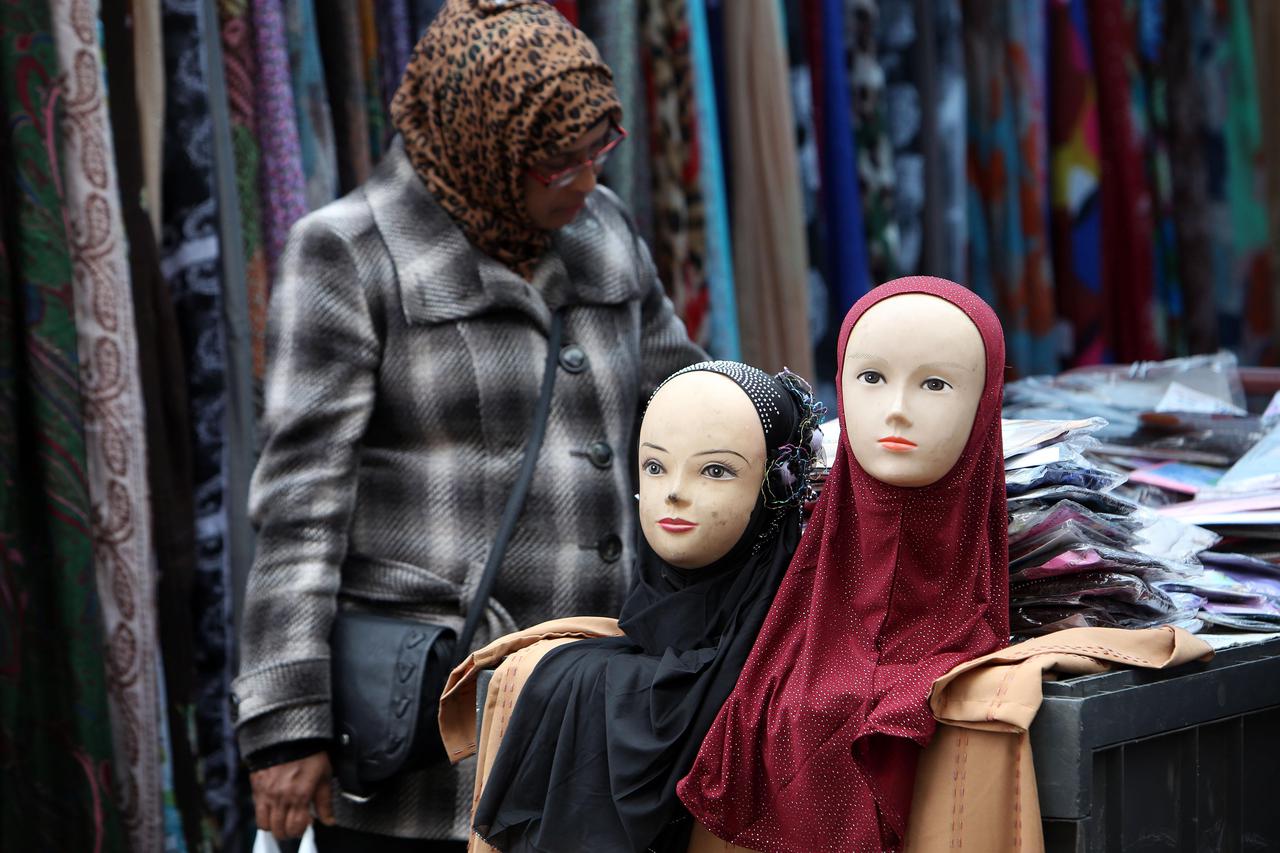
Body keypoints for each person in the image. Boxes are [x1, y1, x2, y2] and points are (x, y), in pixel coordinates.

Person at [230, 1, 706, 849]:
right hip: (435, 735)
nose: (586, 181)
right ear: (485, 148)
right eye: (557, 162)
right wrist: (286, 722)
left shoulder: (605, 236)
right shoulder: (349, 254)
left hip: (597, 714)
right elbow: (301, 505)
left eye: (596, 153)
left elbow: (690, 403)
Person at [677, 277, 1010, 853]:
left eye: (935, 383)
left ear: (984, 403)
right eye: (872, 378)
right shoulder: (793, 591)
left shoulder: (974, 612)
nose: (897, 411)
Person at [438, 362, 822, 852]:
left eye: (715, 470)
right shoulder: (569, 675)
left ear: (777, 486)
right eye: (656, 466)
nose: (675, 491)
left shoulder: (804, 671)